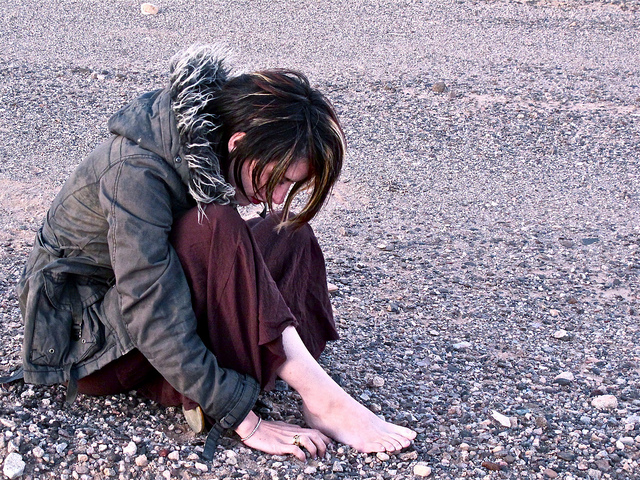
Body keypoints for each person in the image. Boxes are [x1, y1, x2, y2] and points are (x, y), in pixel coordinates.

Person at [13, 44, 416, 461]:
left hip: (142, 325)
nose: (277, 196)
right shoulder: (136, 171)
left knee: (287, 233)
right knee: (216, 224)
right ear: (239, 142)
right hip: (86, 343)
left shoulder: (206, 149)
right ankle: (319, 397)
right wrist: (246, 421)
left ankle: (291, 381)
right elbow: (149, 305)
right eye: (277, 179)